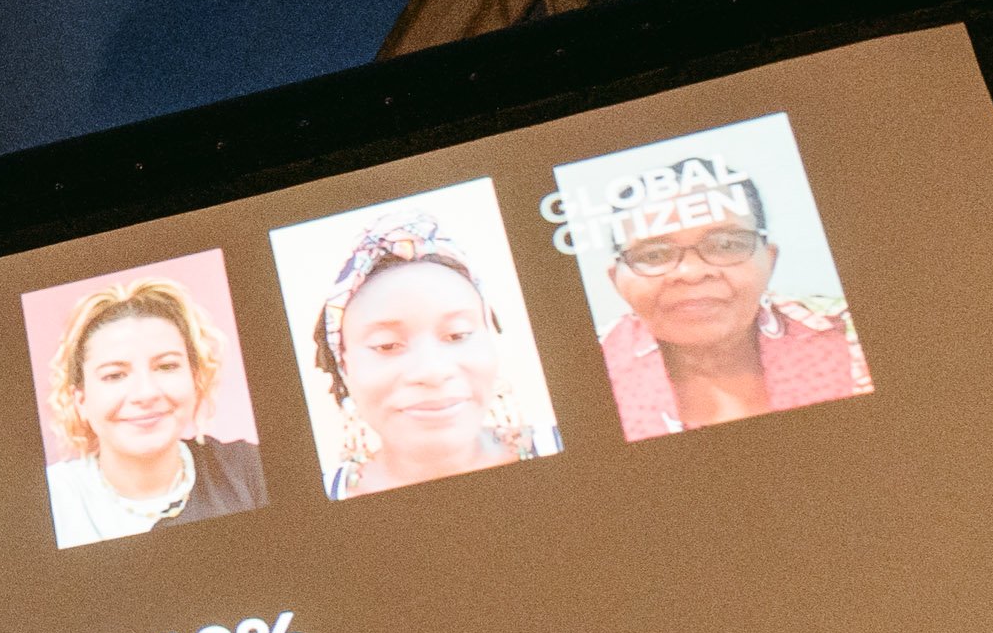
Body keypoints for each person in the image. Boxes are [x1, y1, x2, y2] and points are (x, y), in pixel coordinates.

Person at [591, 155, 870, 438]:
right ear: (616, 279)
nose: (692, 272)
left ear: (770, 261)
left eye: (725, 245)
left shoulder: (853, 334)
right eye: (654, 255)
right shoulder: (586, 372)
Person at [309, 221, 556, 498]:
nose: (432, 371)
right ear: (343, 365)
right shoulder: (316, 500)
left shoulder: (569, 446)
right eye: (387, 345)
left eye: (457, 335)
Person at [42, 279, 268, 544]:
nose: (145, 393)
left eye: (166, 367)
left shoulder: (251, 470)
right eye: (115, 375)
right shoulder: (52, 500)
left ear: (196, 379)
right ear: (80, 400)